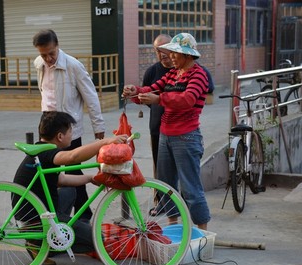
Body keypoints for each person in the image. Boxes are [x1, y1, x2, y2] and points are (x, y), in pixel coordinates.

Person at [13, 111, 127, 265]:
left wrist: (89, 178)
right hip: (36, 221)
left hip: (32, 214)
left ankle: (50, 239)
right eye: (70, 132)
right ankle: (42, 244)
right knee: (98, 240)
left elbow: (61, 180)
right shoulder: (48, 153)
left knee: (69, 191)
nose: (72, 135)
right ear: (60, 136)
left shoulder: (40, 151)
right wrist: (105, 142)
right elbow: (73, 157)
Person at [122, 33, 211, 230]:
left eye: (174, 53)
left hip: (186, 137)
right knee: (167, 186)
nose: (170, 56)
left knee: (190, 188)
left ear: (188, 55)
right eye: (170, 52)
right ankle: (173, 227)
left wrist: (159, 99)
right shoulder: (172, 74)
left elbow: (187, 100)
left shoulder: (199, 74)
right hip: (165, 135)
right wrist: (134, 91)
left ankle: (203, 233)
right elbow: (152, 89)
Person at [33, 29, 106, 223]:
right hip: (47, 126)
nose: (48, 58)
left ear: (57, 46)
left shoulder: (73, 66)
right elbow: (45, 93)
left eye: (51, 53)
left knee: (73, 171)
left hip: (67, 129)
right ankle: (54, 214)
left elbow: (91, 97)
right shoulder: (39, 64)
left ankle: (83, 215)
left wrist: (98, 128)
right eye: (43, 54)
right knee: (49, 173)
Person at [142, 34, 173, 178]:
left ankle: (182, 200)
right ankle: (159, 198)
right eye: (157, 50)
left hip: (179, 130)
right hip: (157, 129)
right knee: (160, 170)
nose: (161, 54)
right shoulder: (152, 72)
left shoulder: (183, 70)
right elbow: (146, 97)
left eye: (164, 49)